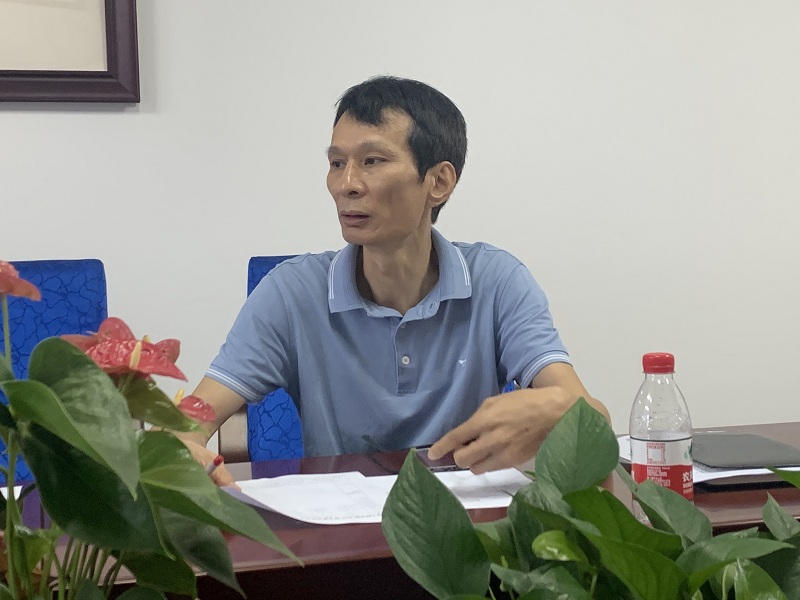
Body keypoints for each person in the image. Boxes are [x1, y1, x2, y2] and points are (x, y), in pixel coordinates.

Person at [179, 75, 610, 487]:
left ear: (439, 182)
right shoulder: (291, 293)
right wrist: (181, 443)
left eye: (372, 161)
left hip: (469, 524)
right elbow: (189, 421)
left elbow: (591, 420)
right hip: (336, 526)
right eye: (336, 163)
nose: (346, 184)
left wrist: (559, 407)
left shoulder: (498, 281)